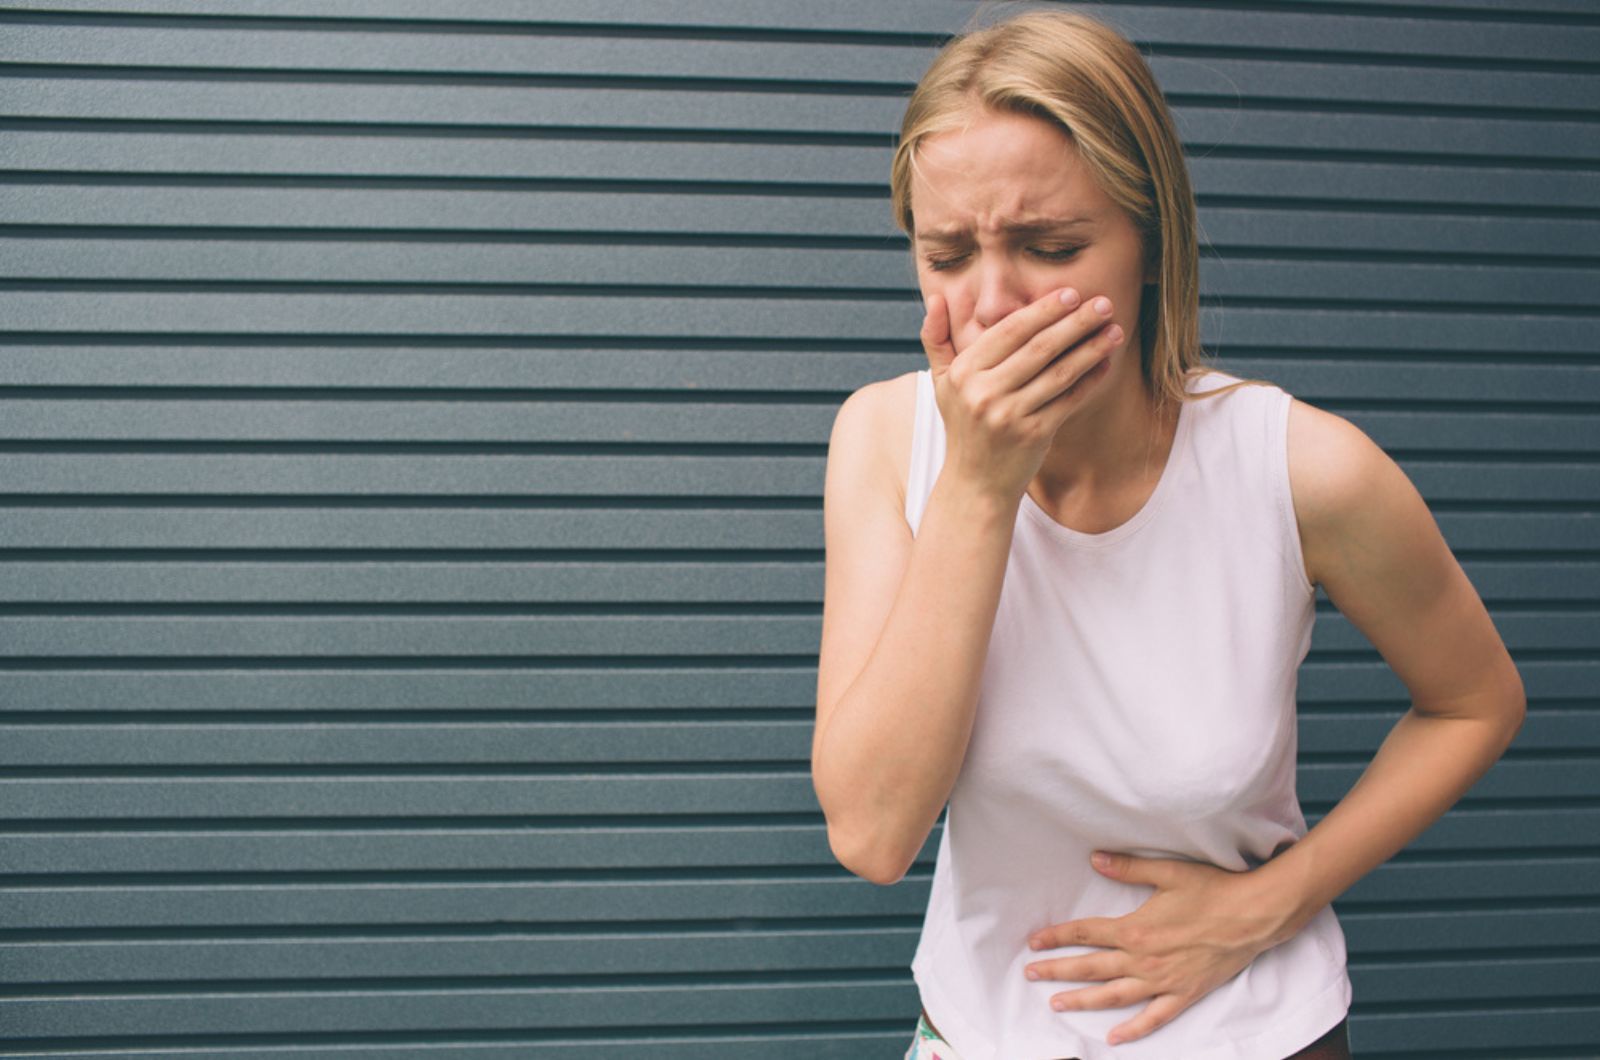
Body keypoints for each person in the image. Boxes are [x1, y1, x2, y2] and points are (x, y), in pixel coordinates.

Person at [810, 8, 1526, 1060]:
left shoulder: (1299, 465)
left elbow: (1474, 701)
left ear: (1152, 242)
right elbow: (871, 833)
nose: (993, 305)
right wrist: (976, 487)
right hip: (978, 1034)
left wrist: (1272, 901)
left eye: (1050, 247)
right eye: (946, 255)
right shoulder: (883, 438)